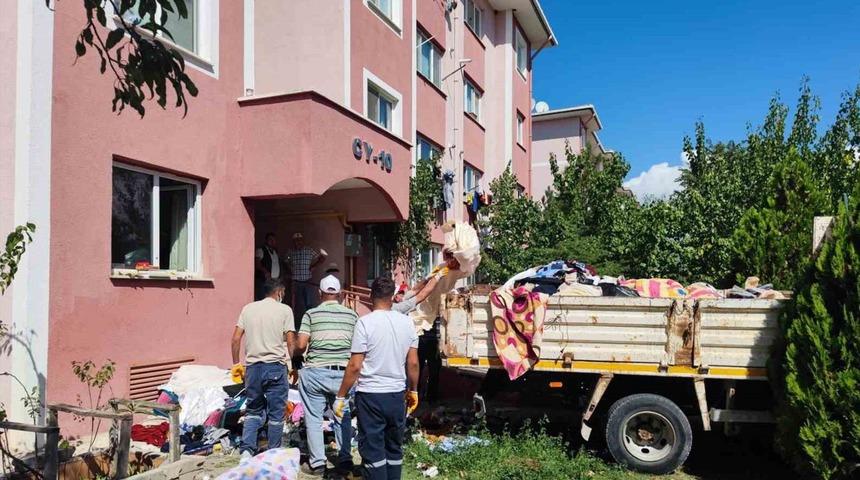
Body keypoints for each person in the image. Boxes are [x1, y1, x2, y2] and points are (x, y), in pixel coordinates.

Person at [334, 277, 420, 480]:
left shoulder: (364, 323)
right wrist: (414, 390)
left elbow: (355, 365)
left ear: (371, 296)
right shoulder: (407, 322)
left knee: (373, 450)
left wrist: (340, 396)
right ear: (392, 297)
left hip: (371, 395)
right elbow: (414, 363)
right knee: (394, 448)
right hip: (397, 395)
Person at [295, 275, 357, 477]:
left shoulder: (311, 314)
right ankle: (346, 460)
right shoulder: (352, 315)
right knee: (342, 415)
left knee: (313, 418)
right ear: (339, 294)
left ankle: (318, 463)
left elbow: (302, 344)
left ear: (319, 293)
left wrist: (296, 355)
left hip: (315, 372)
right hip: (343, 374)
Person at [230, 279, 295, 457]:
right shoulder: (285, 310)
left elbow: (236, 339)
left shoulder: (248, 309)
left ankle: (246, 451)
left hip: (252, 368)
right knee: (276, 414)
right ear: (279, 292)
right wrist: (295, 366)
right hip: (275, 366)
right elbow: (290, 341)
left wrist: (236, 364)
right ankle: (272, 453)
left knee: (253, 411)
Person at [285, 232, 327, 328]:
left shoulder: (309, 251)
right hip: (295, 282)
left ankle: (310, 325)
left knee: (309, 303)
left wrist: (314, 266)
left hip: (307, 282)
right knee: (297, 305)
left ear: (302, 241)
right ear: (293, 242)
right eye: (296, 241)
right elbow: (285, 261)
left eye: (300, 240)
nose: (298, 242)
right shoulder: (290, 252)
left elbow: (321, 259)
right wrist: (289, 268)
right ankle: (297, 325)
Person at [254, 233, 285, 300]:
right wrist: (265, 271)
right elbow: (257, 264)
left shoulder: (275, 252)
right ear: (266, 240)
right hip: (264, 281)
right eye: (270, 240)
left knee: (274, 299)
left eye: (274, 240)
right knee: (264, 298)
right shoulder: (261, 250)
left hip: (275, 281)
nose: (272, 242)